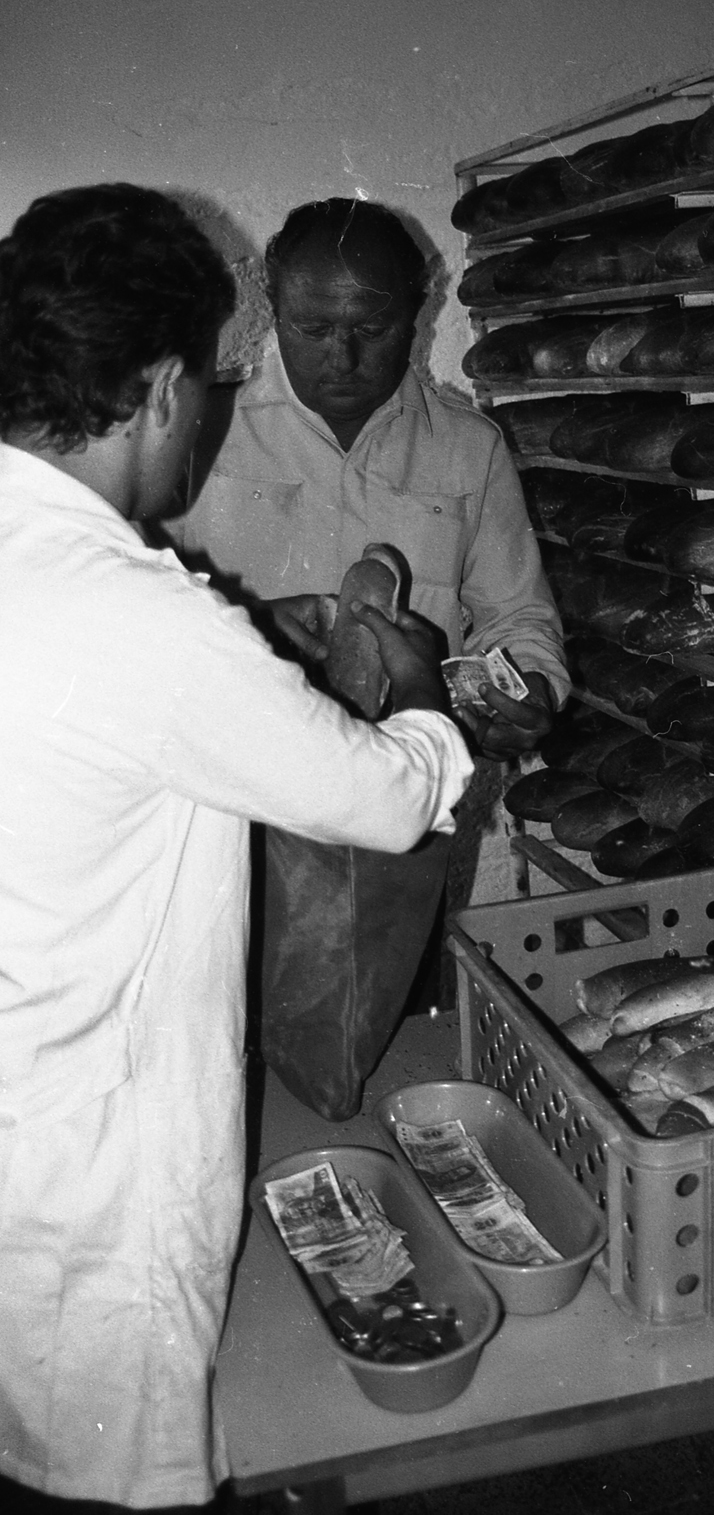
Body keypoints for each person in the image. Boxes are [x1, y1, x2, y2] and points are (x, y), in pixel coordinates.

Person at [0, 182, 472, 1513]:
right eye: (209, 385)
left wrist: (254, 651)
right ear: (161, 390)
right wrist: (420, 689)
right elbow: (387, 800)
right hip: (90, 1168)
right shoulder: (138, 616)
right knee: (109, 1465)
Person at [164, 198, 570, 1118]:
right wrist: (255, 628)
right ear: (271, 308)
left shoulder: (467, 448)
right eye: (313, 329)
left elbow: (517, 616)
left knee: (389, 1053)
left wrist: (529, 688)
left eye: (372, 329)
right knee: (227, 1060)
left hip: (406, 832)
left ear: (421, 311)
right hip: (237, 823)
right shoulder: (197, 433)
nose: (342, 359)